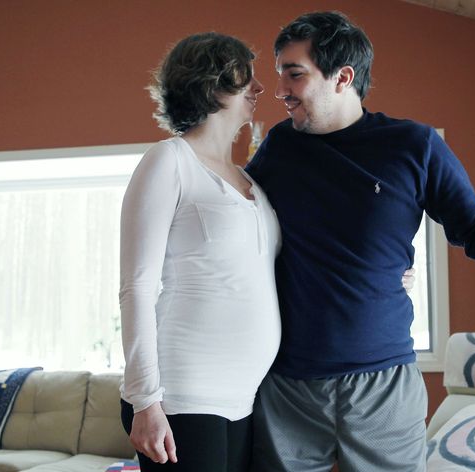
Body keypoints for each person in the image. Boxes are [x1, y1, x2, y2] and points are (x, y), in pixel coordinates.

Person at [246, 11, 475, 472]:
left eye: (295, 74)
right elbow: (238, 229)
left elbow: (474, 224)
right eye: (280, 74)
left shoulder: (414, 146)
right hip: (288, 386)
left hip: (383, 385)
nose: (281, 89)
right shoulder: (279, 148)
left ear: (342, 77)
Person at [118, 32, 279, 472]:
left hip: (244, 396)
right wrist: (145, 401)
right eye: (247, 79)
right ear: (211, 85)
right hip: (182, 393)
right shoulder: (169, 161)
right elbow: (136, 287)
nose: (261, 90)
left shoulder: (249, 179)